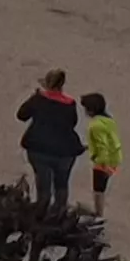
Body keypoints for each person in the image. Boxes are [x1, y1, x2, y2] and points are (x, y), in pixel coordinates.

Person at [17, 69, 84, 210]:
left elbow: (21, 115)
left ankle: (41, 215)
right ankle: (59, 216)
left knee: (43, 186)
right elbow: (73, 122)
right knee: (62, 185)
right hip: (66, 150)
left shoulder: (38, 99)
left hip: (39, 148)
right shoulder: (70, 103)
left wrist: (32, 99)